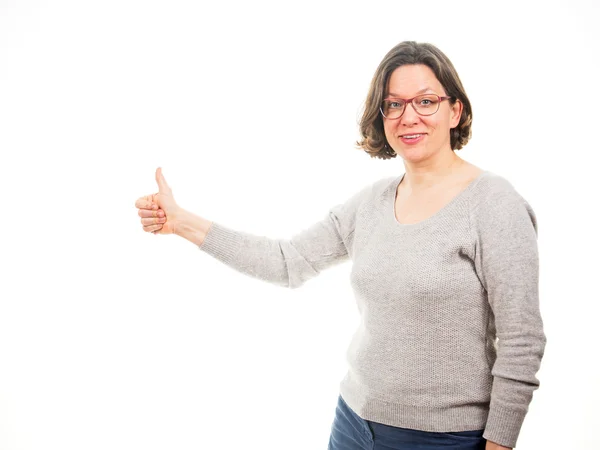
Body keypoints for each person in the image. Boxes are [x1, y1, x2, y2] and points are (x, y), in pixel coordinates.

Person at [134, 41, 546, 450]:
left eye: (426, 101)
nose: (409, 117)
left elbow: (522, 341)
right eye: (394, 104)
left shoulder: (494, 203)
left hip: (441, 439)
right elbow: (287, 262)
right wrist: (182, 222)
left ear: (455, 111)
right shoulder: (370, 204)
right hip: (352, 424)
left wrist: (500, 445)